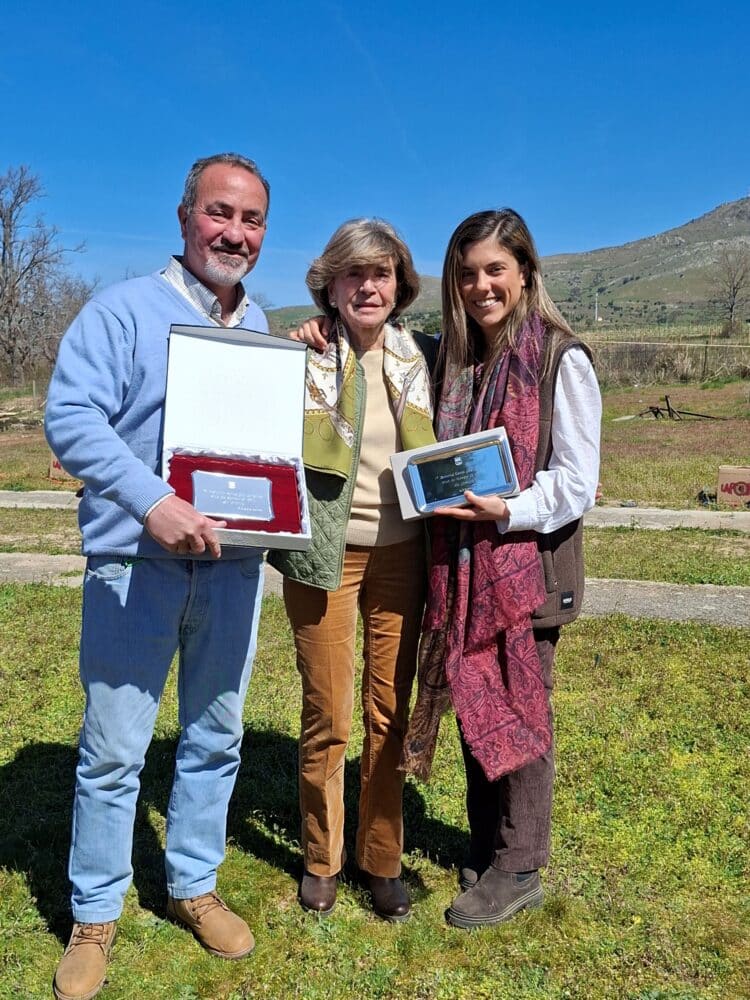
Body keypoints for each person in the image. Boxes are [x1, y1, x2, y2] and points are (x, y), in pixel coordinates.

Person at [45, 152, 271, 1000]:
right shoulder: (120, 313)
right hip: (132, 565)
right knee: (113, 751)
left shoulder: (264, 337)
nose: (234, 233)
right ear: (184, 219)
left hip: (231, 571)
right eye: (220, 213)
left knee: (216, 736)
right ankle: (95, 913)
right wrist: (150, 501)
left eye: (251, 221)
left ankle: (192, 883)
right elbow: (69, 416)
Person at [400, 208, 601, 929]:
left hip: (524, 573)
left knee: (520, 712)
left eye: (495, 270)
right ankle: (488, 843)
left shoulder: (558, 358)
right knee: (476, 704)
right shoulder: (454, 360)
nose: (481, 285)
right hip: (460, 573)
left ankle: (519, 866)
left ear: (524, 273)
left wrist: (505, 511)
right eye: (467, 272)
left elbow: (577, 480)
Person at [269, 219, 436, 922]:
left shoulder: (423, 357)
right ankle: (321, 857)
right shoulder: (300, 356)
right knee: (327, 714)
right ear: (329, 284)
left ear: (399, 285)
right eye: (353, 274)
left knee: (388, 713)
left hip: (403, 552)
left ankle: (383, 856)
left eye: (382, 274)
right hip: (324, 554)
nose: (369, 287)